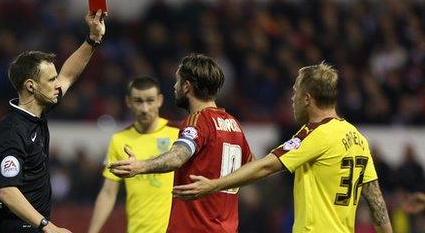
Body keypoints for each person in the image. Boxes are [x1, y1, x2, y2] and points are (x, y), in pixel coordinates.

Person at [171, 63, 394, 233]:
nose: (292, 98)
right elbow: (377, 204)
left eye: (295, 92)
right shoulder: (358, 138)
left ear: (307, 99)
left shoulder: (316, 134)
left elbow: (267, 166)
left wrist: (214, 185)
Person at [0, 10, 105, 233]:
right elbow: (8, 192)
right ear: (31, 86)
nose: (57, 84)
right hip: (16, 228)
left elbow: (68, 75)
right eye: (51, 80)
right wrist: (48, 226)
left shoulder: (39, 110)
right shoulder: (12, 130)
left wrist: (93, 39)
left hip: (32, 226)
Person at [109, 54, 254, 233]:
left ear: (187, 87)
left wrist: (140, 166)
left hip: (196, 228)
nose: (174, 86)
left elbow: (178, 156)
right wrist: (219, 184)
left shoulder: (198, 121)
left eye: (177, 81)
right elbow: (253, 167)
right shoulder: (234, 125)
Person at [87, 76, 179, 233]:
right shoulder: (120, 140)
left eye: (150, 100)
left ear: (160, 100)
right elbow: (108, 193)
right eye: (138, 101)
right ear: (128, 102)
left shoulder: (178, 134)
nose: (144, 108)